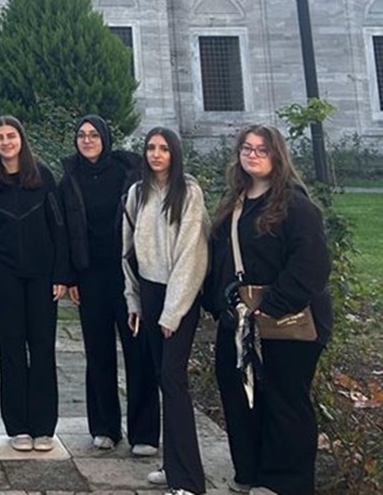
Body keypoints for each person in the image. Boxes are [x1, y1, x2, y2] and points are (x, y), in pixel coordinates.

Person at [201, 125, 332, 495]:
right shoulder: (234, 203)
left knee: (283, 399)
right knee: (238, 393)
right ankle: (250, 471)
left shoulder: (295, 206)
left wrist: (272, 306)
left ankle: (285, 482)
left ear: (277, 155)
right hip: (239, 319)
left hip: (289, 321)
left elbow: (311, 263)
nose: (253, 155)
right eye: (247, 148)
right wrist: (217, 301)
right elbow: (220, 256)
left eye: (262, 149)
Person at [57, 114, 160, 456]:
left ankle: (144, 433)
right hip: (90, 277)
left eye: (93, 135)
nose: (87, 140)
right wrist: (70, 276)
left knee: (138, 352)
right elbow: (64, 231)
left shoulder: (128, 172)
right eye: (81, 135)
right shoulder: (70, 177)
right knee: (98, 353)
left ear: (105, 138)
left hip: (128, 275)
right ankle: (104, 427)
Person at [0, 115, 69, 452]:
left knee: (42, 348)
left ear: (21, 139)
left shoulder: (41, 175)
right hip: (4, 274)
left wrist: (61, 273)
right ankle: (18, 426)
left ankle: (43, 426)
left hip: (42, 274)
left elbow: (58, 226)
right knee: (11, 348)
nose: (6, 142)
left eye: (11, 136)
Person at [122, 127, 209, 495]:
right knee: (163, 378)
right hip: (151, 291)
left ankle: (189, 480)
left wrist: (172, 312)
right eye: (150, 148)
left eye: (163, 148)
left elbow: (192, 254)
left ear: (174, 153)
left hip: (180, 295)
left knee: (174, 381)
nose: (156, 154)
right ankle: (172, 464)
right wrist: (133, 300)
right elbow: (127, 251)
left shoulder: (188, 192)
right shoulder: (136, 193)